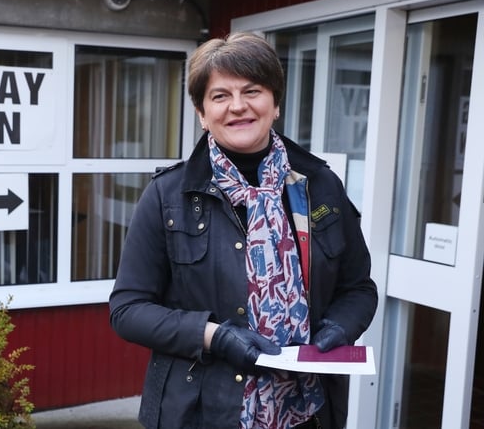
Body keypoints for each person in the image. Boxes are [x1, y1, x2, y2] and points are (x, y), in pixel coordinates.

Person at [109, 32, 378, 429]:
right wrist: (213, 336)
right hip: (204, 413)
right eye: (220, 96)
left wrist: (340, 327)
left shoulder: (320, 185)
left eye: (252, 90)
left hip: (307, 411)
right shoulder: (169, 195)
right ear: (202, 113)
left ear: (275, 103)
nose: (238, 107)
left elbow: (358, 288)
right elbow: (127, 310)